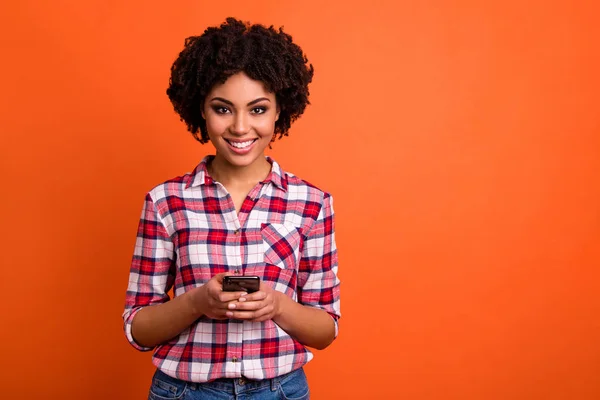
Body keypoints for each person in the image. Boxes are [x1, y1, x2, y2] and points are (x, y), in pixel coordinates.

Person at [122, 17, 341, 400]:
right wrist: (196, 302)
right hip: (185, 392)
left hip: (280, 391)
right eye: (223, 109)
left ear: (279, 112)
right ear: (200, 111)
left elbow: (326, 330)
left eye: (257, 110)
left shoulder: (312, 203)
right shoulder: (165, 202)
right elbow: (138, 327)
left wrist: (276, 305)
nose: (241, 127)